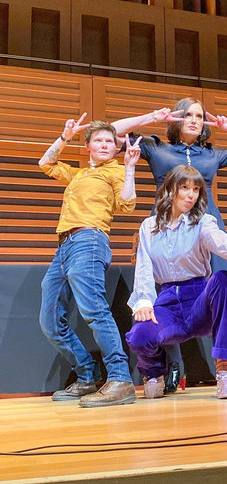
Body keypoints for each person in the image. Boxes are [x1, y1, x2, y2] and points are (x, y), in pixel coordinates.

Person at [113, 98, 227, 390]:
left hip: (206, 226)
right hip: (166, 227)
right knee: (162, 297)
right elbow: (112, 131)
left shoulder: (211, 153)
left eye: (199, 115)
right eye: (188, 115)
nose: (194, 120)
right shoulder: (157, 148)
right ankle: (174, 369)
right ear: (176, 119)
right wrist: (152, 117)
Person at [125, 165, 227, 400]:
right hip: (168, 303)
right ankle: (154, 372)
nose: (191, 195)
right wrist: (144, 302)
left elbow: (216, 238)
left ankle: (224, 366)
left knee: (224, 279)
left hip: (200, 302)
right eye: (185, 187)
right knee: (139, 336)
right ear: (171, 189)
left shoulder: (203, 221)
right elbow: (144, 268)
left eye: (196, 189)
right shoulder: (149, 227)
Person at [39, 114, 142, 407]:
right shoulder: (79, 174)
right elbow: (45, 163)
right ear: (88, 146)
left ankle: (120, 379)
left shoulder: (116, 171)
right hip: (63, 247)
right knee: (49, 320)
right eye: (98, 140)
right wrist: (65, 136)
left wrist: (130, 168)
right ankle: (87, 375)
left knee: (95, 311)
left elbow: (127, 205)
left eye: (110, 141)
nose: (105, 144)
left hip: (90, 241)